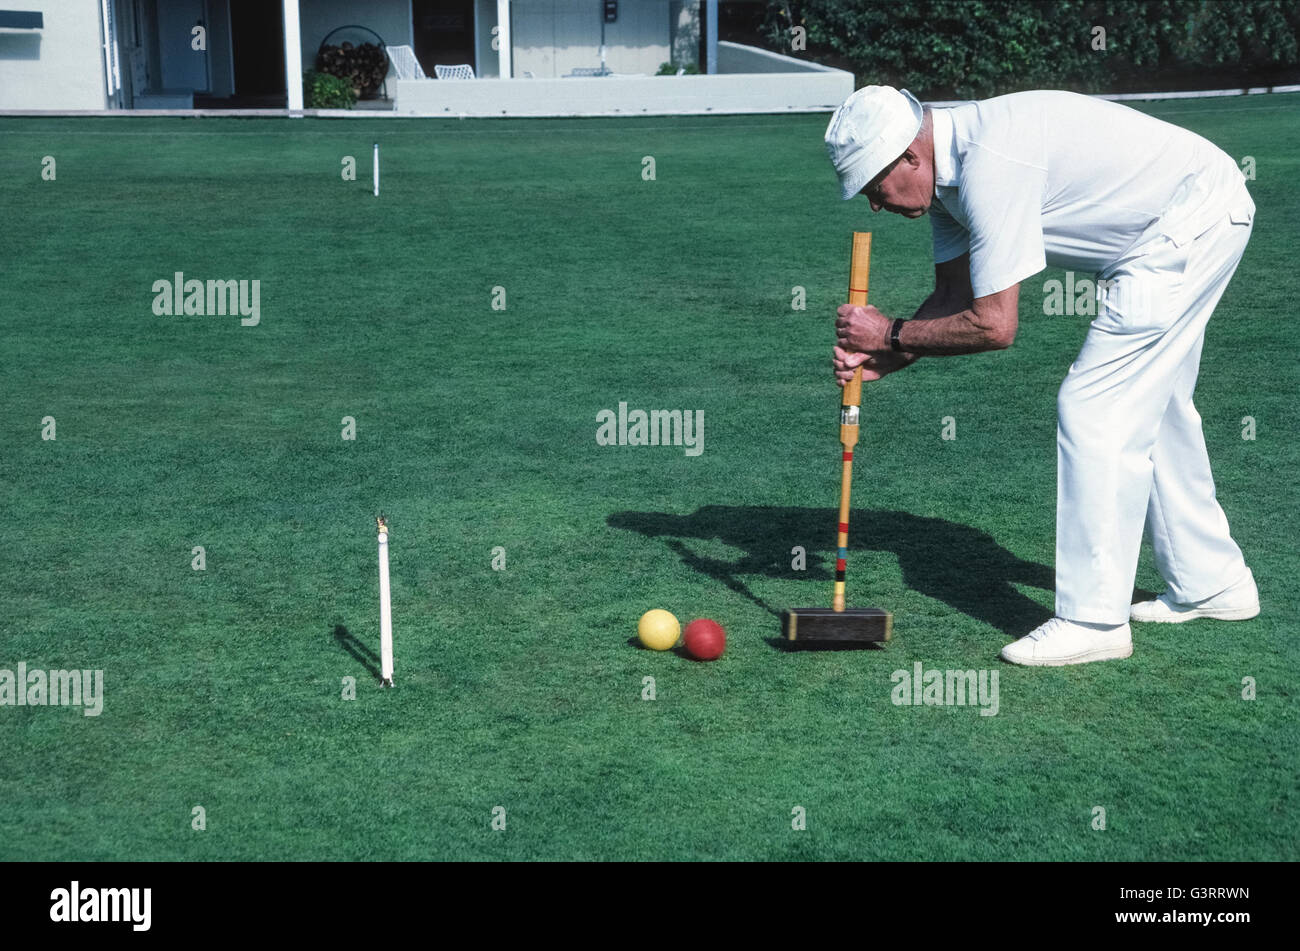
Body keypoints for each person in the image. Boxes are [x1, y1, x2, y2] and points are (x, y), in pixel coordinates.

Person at [824, 85, 1259, 666]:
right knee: (1158, 405)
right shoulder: (946, 182)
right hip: (1178, 221)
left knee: (1095, 405)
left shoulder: (990, 165)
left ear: (909, 155)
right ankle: (1213, 583)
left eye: (875, 186)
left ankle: (1093, 621)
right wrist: (886, 357)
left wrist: (888, 334)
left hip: (1187, 221)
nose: (875, 204)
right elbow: (954, 296)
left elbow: (994, 325)